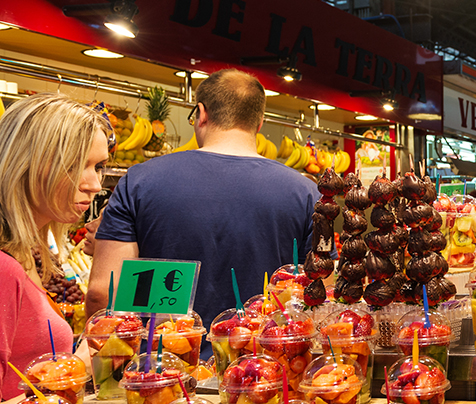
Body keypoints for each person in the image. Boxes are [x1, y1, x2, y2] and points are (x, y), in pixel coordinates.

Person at [86, 70, 319, 343]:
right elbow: (318, 293)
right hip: (262, 369)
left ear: (201, 113)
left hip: (162, 368)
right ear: (259, 123)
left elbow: (103, 293)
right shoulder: (306, 192)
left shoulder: (139, 181)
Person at [0, 93, 110, 400]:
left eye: (98, 166)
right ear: (27, 163)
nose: (94, 184)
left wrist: (82, 361)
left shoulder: (28, 254)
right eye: (76, 165)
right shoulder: (4, 268)